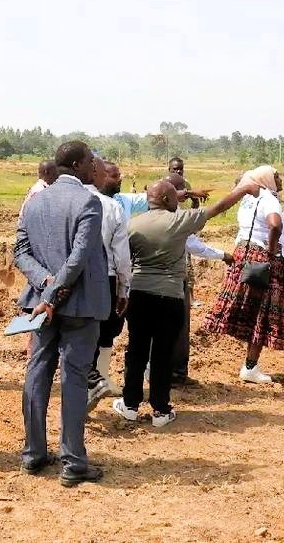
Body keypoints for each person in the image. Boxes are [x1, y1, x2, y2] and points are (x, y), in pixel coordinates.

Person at [113, 177, 260, 427]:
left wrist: (121, 293)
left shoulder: (133, 225)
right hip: (170, 297)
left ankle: (129, 405)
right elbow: (219, 208)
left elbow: (123, 263)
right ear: (167, 199)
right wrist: (243, 189)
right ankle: (160, 410)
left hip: (139, 294)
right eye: (175, 197)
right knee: (162, 353)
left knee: (136, 350)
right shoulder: (180, 221)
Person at [15, 141, 108, 487]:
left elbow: (20, 252)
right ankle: (73, 462)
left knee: (37, 373)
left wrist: (45, 284)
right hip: (79, 306)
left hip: (42, 305)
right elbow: (81, 256)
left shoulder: (34, 202)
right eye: (90, 161)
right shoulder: (89, 201)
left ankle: (34, 454)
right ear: (76, 164)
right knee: (73, 378)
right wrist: (54, 291)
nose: (94, 167)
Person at [203, 166, 284, 384]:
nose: (280, 179)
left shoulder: (248, 199)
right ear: (265, 179)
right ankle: (250, 367)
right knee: (263, 314)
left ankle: (250, 365)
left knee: (254, 311)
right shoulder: (269, 199)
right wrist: (272, 252)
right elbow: (275, 224)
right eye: (276, 175)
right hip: (264, 259)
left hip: (245, 255)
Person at [165, 171, 228, 386]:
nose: (185, 194)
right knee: (180, 327)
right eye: (182, 190)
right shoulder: (177, 218)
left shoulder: (147, 216)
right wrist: (224, 255)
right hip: (175, 280)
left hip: (149, 283)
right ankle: (176, 374)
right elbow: (194, 245)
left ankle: (158, 373)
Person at [85, 156, 131, 403]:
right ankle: (94, 382)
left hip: (74, 279)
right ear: (97, 175)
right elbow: (121, 255)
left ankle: (94, 381)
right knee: (101, 332)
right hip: (106, 278)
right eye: (113, 175)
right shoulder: (112, 208)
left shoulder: (74, 200)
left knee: (91, 334)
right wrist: (124, 288)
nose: (118, 179)